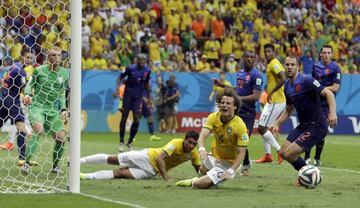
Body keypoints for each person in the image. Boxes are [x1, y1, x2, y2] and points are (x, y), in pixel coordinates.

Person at [273, 55, 337, 175]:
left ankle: (311, 175)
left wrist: (332, 113)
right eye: (287, 65)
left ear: (298, 66)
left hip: (317, 125)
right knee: (282, 153)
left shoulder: (307, 80)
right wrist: (277, 123)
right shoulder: (286, 86)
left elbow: (329, 94)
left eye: (292, 65)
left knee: (289, 154)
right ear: (283, 67)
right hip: (303, 125)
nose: (289, 67)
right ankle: (308, 173)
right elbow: (288, 110)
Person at [176, 88, 249, 189]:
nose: (224, 105)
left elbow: (242, 153)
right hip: (214, 156)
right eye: (222, 102)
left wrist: (231, 170)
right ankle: (208, 181)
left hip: (228, 164)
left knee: (198, 185)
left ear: (235, 107)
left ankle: (195, 181)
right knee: (202, 169)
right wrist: (201, 149)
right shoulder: (213, 117)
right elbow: (203, 135)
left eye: (228, 103)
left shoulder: (240, 125)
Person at [21, 46, 69, 174]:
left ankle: (55, 166)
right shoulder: (39, 70)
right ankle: (26, 163)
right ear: (48, 58)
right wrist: (27, 95)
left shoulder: (64, 73)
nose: (57, 58)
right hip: (38, 107)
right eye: (54, 55)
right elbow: (30, 84)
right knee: (38, 130)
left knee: (61, 138)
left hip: (53, 110)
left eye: (59, 55)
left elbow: (62, 92)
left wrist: (63, 108)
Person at [213, 50, 262, 175]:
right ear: (243, 58)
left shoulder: (256, 75)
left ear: (254, 59)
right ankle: (244, 163)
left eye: (252, 57)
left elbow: (256, 96)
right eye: (247, 57)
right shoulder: (240, 73)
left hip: (248, 113)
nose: (250, 59)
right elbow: (238, 90)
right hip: (236, 111)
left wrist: (239, 99)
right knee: (234, 139)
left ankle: (242, 165)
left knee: (243, 139)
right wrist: (221, 85)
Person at [80, 131, 201, 181]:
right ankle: (79, 161)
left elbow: (198, 170)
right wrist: (166, 176)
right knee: (113, 159)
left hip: (152, 172)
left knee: (120, 174)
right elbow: (159, 158)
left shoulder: (194, 153)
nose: (191, 146)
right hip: (147, 157)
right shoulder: (176, 143)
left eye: (194, 144)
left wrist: (207, 178)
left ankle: (85, 176)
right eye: (189, 142)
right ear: (184, 140)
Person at [304, 45, 341, 166]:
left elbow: (335, 88)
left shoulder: (336, 68)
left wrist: (320, 89)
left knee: (321, 131)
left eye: (328, 52)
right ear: (320, 54)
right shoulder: (315, 66)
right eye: (323, 52)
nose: (325, 54)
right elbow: (312, 82)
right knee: (309, 128)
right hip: (314, 102)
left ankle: (317, 158)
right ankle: (307, 157)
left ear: (332, 54)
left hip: (326, 104)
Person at [0, 47, 32, 166]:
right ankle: (22, 159)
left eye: (31, 57)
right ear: (22, 56)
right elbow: (24, 89)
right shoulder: (21, 71)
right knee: (22, 127)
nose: (29, 60)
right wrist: (28, 96)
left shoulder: (13, 66)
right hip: (12, 101)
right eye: (27, 57)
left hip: (3, 98)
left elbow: (3, 80)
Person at [114, 54, 151, 152]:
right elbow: (119, 77)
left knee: (137, 120)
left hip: (138, 98)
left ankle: (130, 142)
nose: (142, 60)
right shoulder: (130, 68)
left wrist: (149, 97)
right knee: (124, 117)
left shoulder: (147, 71)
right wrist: (117, 89)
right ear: (137, 60)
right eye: (140, 59)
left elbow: (146, 83)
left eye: (144, 59)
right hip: (128, 96)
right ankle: (121, 142)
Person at [256, 43, 285, 164]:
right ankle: (268, 155)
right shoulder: (270, 64)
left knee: (261, 128)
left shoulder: (274, 63)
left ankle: (280, 151)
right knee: (263, 127)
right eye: (265, 52)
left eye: (269, 52)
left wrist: (271, 91)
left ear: (273, 52)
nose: (267, 54)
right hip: (272, 101)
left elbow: (283, 78)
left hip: (276, 101)